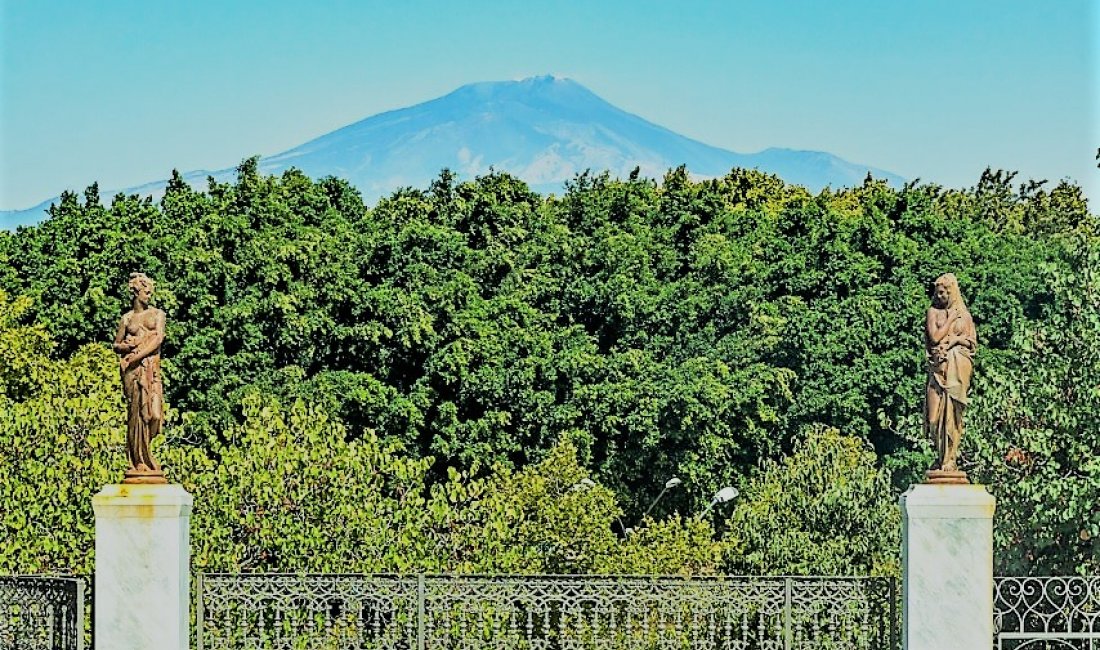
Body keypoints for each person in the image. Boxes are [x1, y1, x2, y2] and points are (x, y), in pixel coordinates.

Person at [113, 272, 167, 483]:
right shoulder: (127, 319)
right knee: (136, 416)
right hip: (133, 374)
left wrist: (138, 354)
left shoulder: (158, 315)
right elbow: (117, 345)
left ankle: (146, 452)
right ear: (136, 293)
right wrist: (129, 346)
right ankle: (140, 461)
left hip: (150, 369)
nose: (149, 296)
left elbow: (158, 339)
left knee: (153, 414)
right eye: (146, 292)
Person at [924, 273, 977, 478]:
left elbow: (971, 343)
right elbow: (935, 337)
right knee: (934, 418)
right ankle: (940, 455)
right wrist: (951, 320)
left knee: (953, 415)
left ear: (952, 292)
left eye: (944, 293)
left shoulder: (965, 316)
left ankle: (949, 459)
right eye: (938, 293)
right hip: (938, 372)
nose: (940, 297)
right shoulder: (933, 313)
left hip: (957, 370)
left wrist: (955, 342)